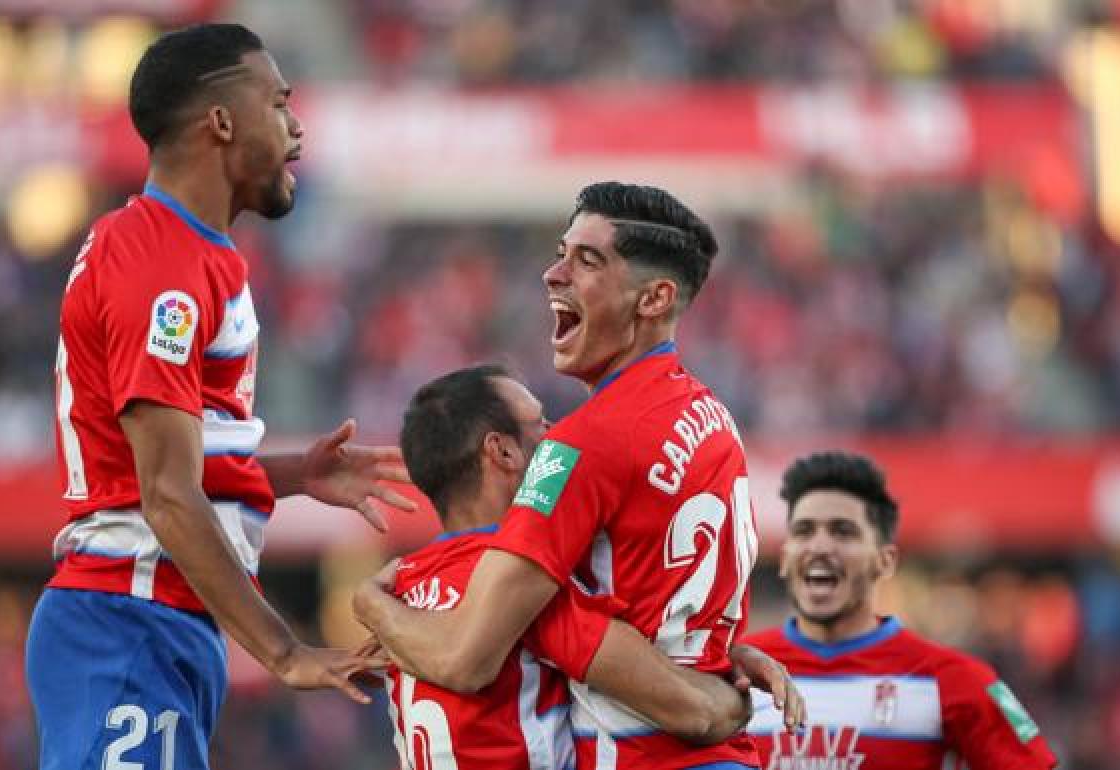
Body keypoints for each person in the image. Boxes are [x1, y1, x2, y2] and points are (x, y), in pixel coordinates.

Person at [25, 24, 411, 770]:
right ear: (223, 122)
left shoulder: (191, 253)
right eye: (278, 103)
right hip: (127, 617)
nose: (297, 126)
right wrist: (284, 650)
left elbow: (165, 472)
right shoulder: (162, 264)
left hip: (152, 620)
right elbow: (165, 495)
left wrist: (293, 476)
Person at [355, 181, 803, 770]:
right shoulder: (712, 416)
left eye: (587, 260)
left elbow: (467, 659)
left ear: (654, 299)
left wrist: (371, 605)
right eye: (561, 253)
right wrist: (719, 662)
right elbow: (659, 609)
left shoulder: (583, 444)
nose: (553, 273)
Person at [377, 364, 759, 768]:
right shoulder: (524, 590)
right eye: (540, 424)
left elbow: (314, 667)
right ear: (502, 452)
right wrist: (736, 700)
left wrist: (368, 605)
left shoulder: (399, 586)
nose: (557, 432)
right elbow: (692, 711)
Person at [740, 451, 1058, 770]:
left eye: (843, 531)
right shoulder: (740, 674)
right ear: (783, 558)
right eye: (804, 531)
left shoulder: (952, 679)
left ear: (886, 561)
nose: (820, 547)